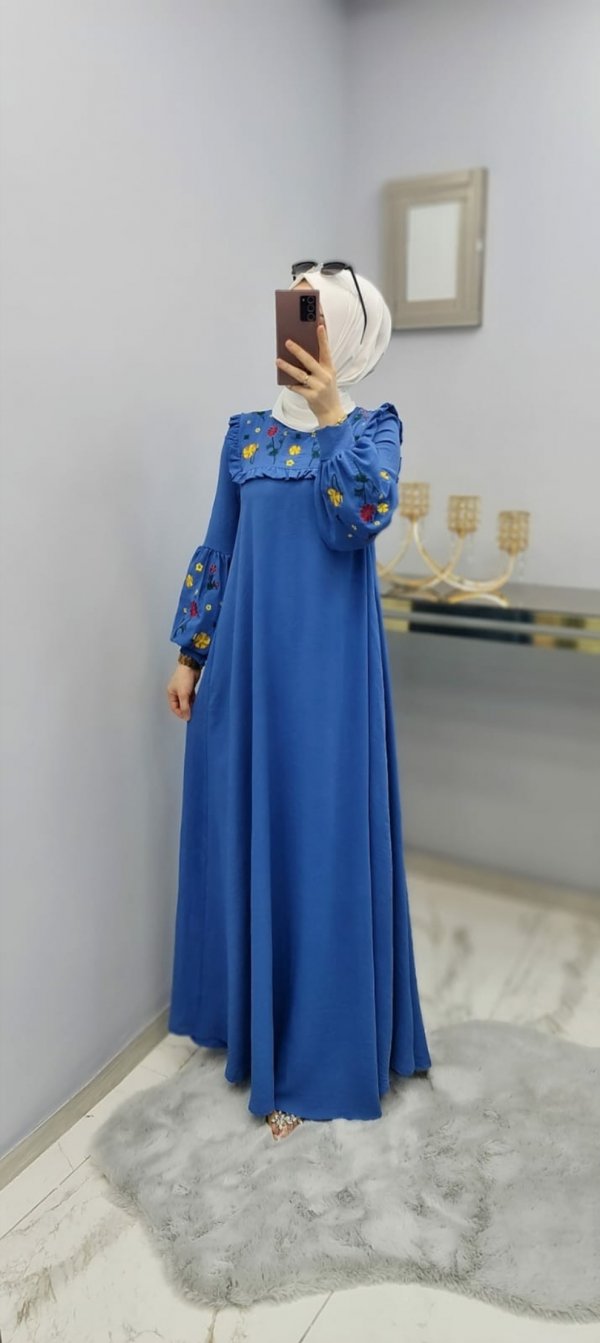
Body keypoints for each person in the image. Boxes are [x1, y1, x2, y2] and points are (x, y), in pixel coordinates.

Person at [166, 262, 432, 1141]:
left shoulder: (373, 429)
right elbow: (220, 546)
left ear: (346, 330)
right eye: (294, 309)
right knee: (252, 837)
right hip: (246, 674)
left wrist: (329, 414)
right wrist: (190, 653)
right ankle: (254, 1029)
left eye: (317, 312)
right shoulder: (244, 435)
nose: (299, 328)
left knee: (321, 846)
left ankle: (319, 1057)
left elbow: (361, 517)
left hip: (329, 687)